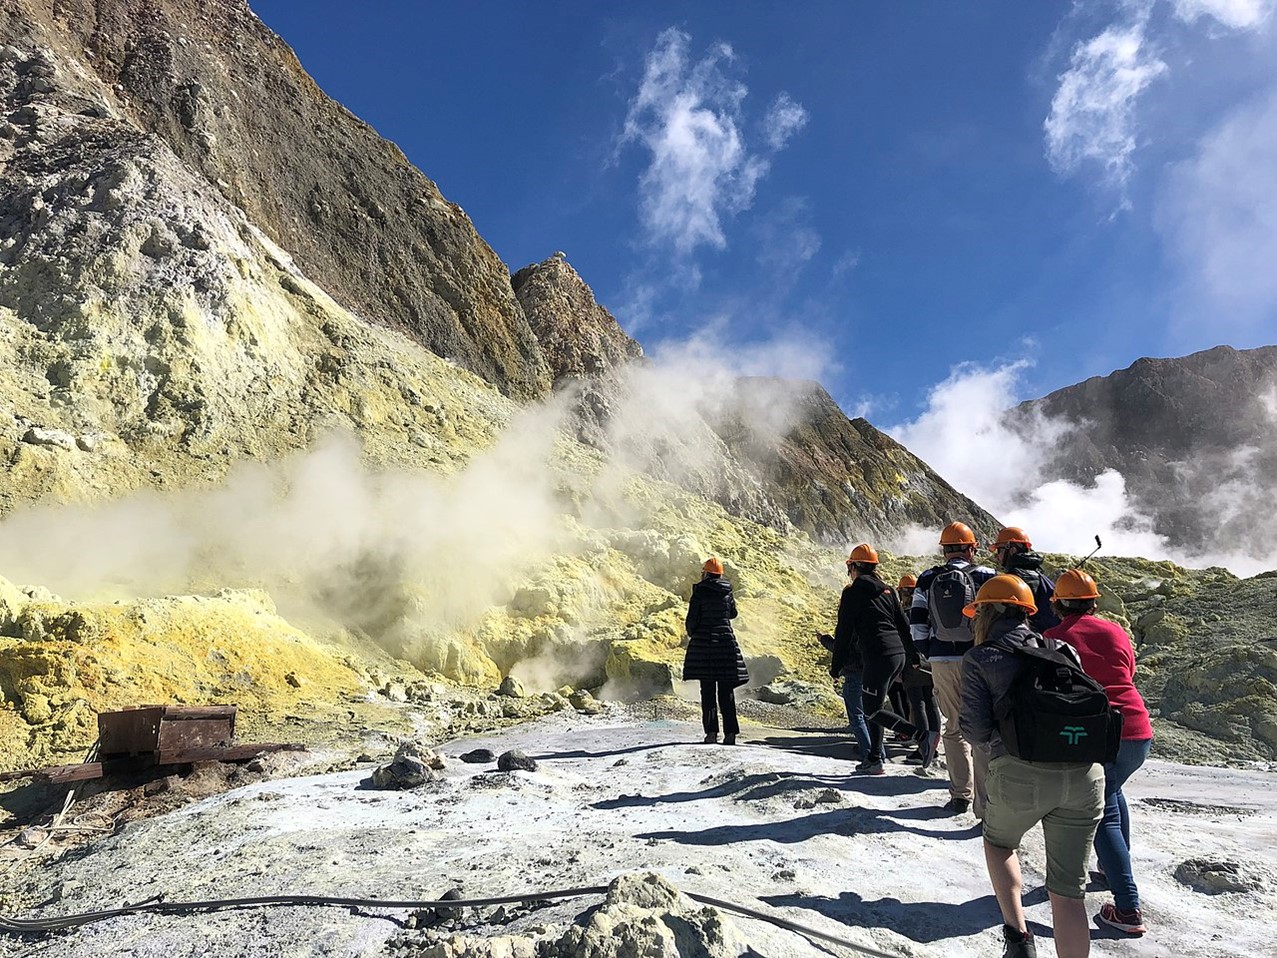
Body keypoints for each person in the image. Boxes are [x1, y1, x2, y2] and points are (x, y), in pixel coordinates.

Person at [960, 575, 1105, 958]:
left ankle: (1019, 939)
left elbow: (974, 730)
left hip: (1019, 772)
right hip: (1085, 774)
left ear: (986, 613)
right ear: (1027, 613)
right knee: (1068, 892)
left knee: (998, 842)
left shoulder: (981, 657)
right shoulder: (1061, 648)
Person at [1045, 569, 1153, 937]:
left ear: (1057, 602)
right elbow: (1129, 672)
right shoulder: (1115, 630)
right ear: (1094, 600)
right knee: (1114, 792)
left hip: (1099, 732)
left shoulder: (1053, 637)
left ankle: (1128, 909)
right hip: (1138, 729)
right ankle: (1110, 870)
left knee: (1101, 811)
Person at [910, 521, 995, 813]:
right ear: (972, 549)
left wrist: (930, 652)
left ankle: (960, 794)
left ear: (944, 550)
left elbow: (918, 623)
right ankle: (985, 803)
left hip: (941, 659)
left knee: (954, 727)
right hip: (978, 659)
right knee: (983, 727)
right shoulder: (987, 576)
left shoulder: (927, 577)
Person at [829, 544, 908, 774]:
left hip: (874, 659)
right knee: (875, 707)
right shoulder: (888, 591)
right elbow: (903, 626)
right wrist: (913, 659)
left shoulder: (852, 593)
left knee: (867, 712)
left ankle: (918, 735)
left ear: (853, 567)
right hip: (897, 656)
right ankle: (875, 758)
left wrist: (836, 667)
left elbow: (843, 635)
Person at [683, 556, 749, 745]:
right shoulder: (727, 591)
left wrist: (694, 634)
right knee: (726, 691)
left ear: (705, 573)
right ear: (719, 574)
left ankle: (711, 733)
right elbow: (733, 613)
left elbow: (692, 621)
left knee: (708, 691)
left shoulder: (700, 592)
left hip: (705, 646)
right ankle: (730, 734)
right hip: (726, 645)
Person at [991, 527, 1060, 633]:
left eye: (999, 550)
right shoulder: (1040, 575)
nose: (997, 557)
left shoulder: (1014, 578)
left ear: (1012, 550)